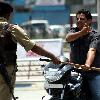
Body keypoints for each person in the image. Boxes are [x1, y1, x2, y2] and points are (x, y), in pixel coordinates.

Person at [0, 1, 61, 100]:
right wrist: (52, 57)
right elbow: (33, 47)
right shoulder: (12, 28)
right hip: (5, 70)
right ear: (8, 14)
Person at [65, 9, 100, 100]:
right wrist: (81, 33)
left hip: (92, 73)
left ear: (89, 21)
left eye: (82, 19)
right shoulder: (73, 31)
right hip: (75, 73)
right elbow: (68, 38)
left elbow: (92, 50)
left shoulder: (95, 35)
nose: (79, 21)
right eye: (78, 19)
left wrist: (87, 64)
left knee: (97, 96)